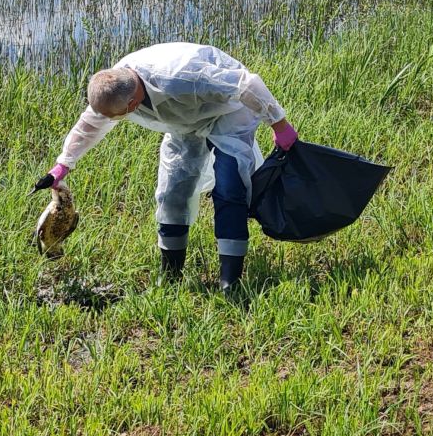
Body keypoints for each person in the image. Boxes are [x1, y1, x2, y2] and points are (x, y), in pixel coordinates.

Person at [43, 42, 297, 291]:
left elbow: (247, 83)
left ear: (131, 105)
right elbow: (89, 124)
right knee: (172, 193)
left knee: (229, 188)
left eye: (114, 116)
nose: (108, 120)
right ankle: (170, 276)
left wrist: (280, 125)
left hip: (228, 111)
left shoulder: (181, 76)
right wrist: (62, 165)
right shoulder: (114, 85)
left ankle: (230, 281)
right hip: (185, 121)